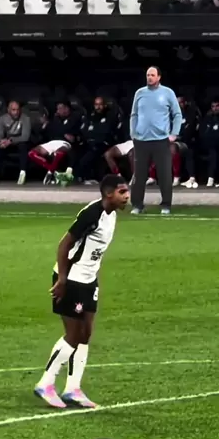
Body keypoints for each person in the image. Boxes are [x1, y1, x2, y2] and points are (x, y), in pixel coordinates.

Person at [34, 175, 130, 410]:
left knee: (85, 334)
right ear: (108, 194)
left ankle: (73, 389)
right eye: (122, 192)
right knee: (73, 333)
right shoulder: (92, 214)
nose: (127, 196)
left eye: (127, 191)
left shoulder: (111, 214)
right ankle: (46, 384)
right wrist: (62, 279)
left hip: (88, 280)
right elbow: (64, 245)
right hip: (71, 279)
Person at [130, 66, 182, 216]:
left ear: (159, 77)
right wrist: (133, 133)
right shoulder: (139, 93)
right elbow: (134, 115)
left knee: (164, 175)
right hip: (141, 141)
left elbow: (177, 114)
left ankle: (166, 205)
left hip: (161, 141)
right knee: (139, 175)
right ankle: (137, 205)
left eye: (152, 75)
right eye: (148, 75)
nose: (149, 77)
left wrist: (174, 134)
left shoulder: (167, 92)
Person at [28, 99, 82, 186]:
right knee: (32, 153)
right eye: (57, 109)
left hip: (64, 143)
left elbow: (66, 131)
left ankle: (50, 172)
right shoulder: (55, 119)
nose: (58, 111)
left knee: (58, 153)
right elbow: (46, 131)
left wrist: (58, 127)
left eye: (60, 108)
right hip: (52, 142)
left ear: (66, 108)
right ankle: (53, 171)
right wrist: (45, 124)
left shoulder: (74, 118)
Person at [0, 101, 31, 186]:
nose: (16, 112)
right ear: (8, 110)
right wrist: (2, 142)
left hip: (18, 143)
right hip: (7, 144)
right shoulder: (3, 118)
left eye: (17, 110)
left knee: (23, 146)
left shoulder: (25, 118)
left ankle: (22, 174)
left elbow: (25, 137)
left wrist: (10, 141)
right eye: (13, 110)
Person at [75, 96, 119, 185]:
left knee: (92, 152)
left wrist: (94, 131)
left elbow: (105, 131)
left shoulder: (110, 115)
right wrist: (92, 133)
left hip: (104, 143)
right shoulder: (91, 116)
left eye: (100, 105)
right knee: (78, 149)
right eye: (96, 105)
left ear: (105, 105)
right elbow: (85, 130)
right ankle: (78, 177)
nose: (98, 107)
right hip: (90, 142)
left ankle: (88, 177)